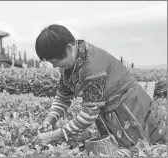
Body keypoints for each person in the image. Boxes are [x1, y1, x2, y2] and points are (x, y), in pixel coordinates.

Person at [33, 24, 167, 149]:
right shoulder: (69, 63)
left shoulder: (92, 66)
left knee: (142, 149)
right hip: (109, 114)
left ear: (69, 48)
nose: (55, 66)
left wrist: (53, 136)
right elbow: (63, 96)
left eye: (56, 62)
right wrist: (50, 119)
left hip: (129, 108)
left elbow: (89, 114)